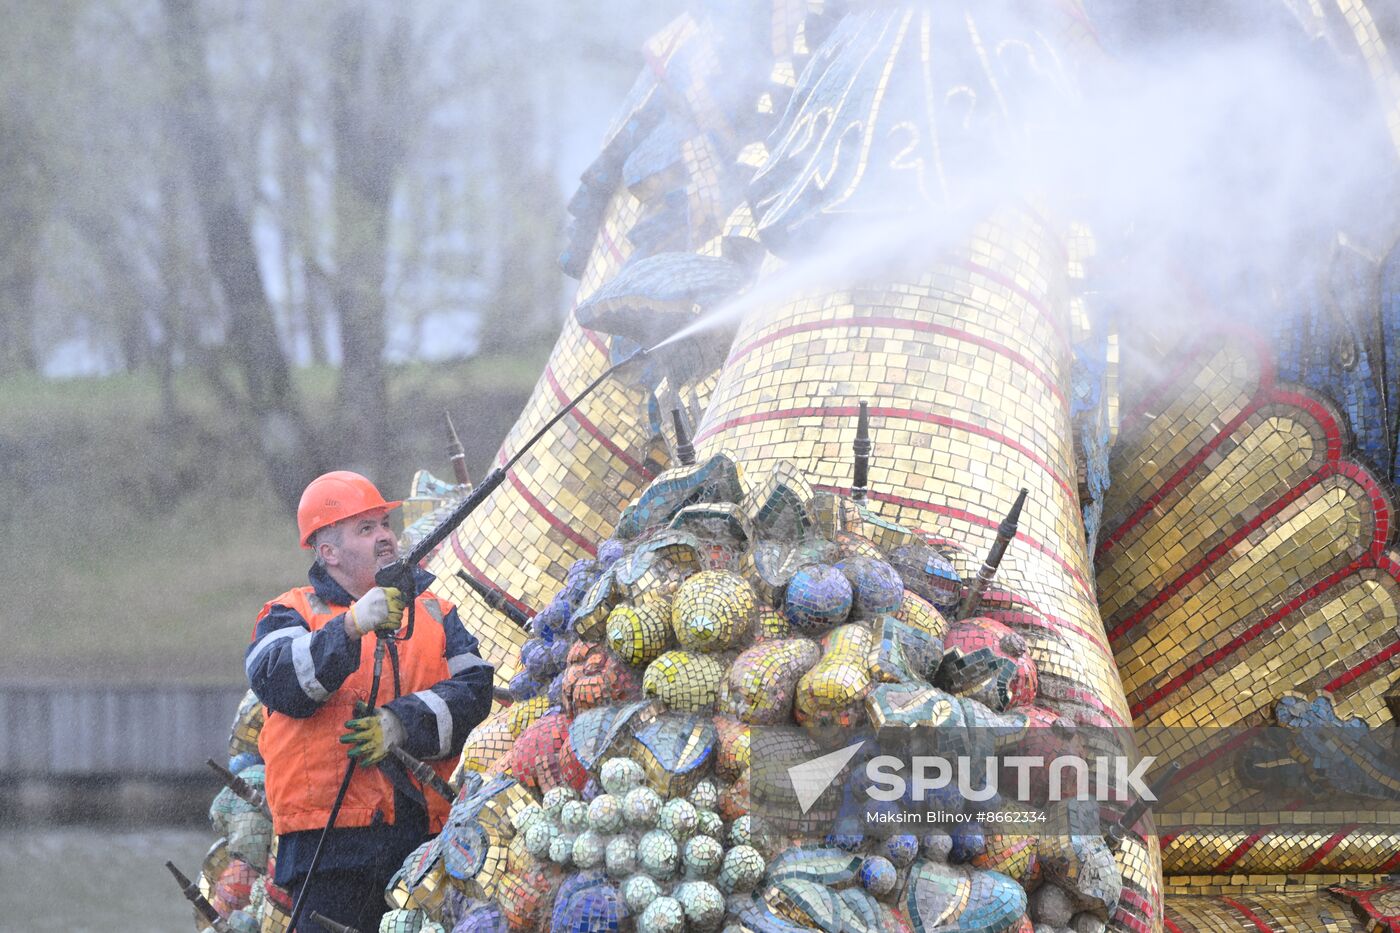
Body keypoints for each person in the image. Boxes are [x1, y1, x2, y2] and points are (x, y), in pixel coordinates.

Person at [245, 470, 494, 932]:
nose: (385, 537)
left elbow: (475, 694)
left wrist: (399, 725)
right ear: (328, 552)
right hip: (328, 854)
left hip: (424, 845)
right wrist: (350, 625)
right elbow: (279, 682)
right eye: (366, 528)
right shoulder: (290, 614)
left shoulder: (437, 612)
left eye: (384, 524)